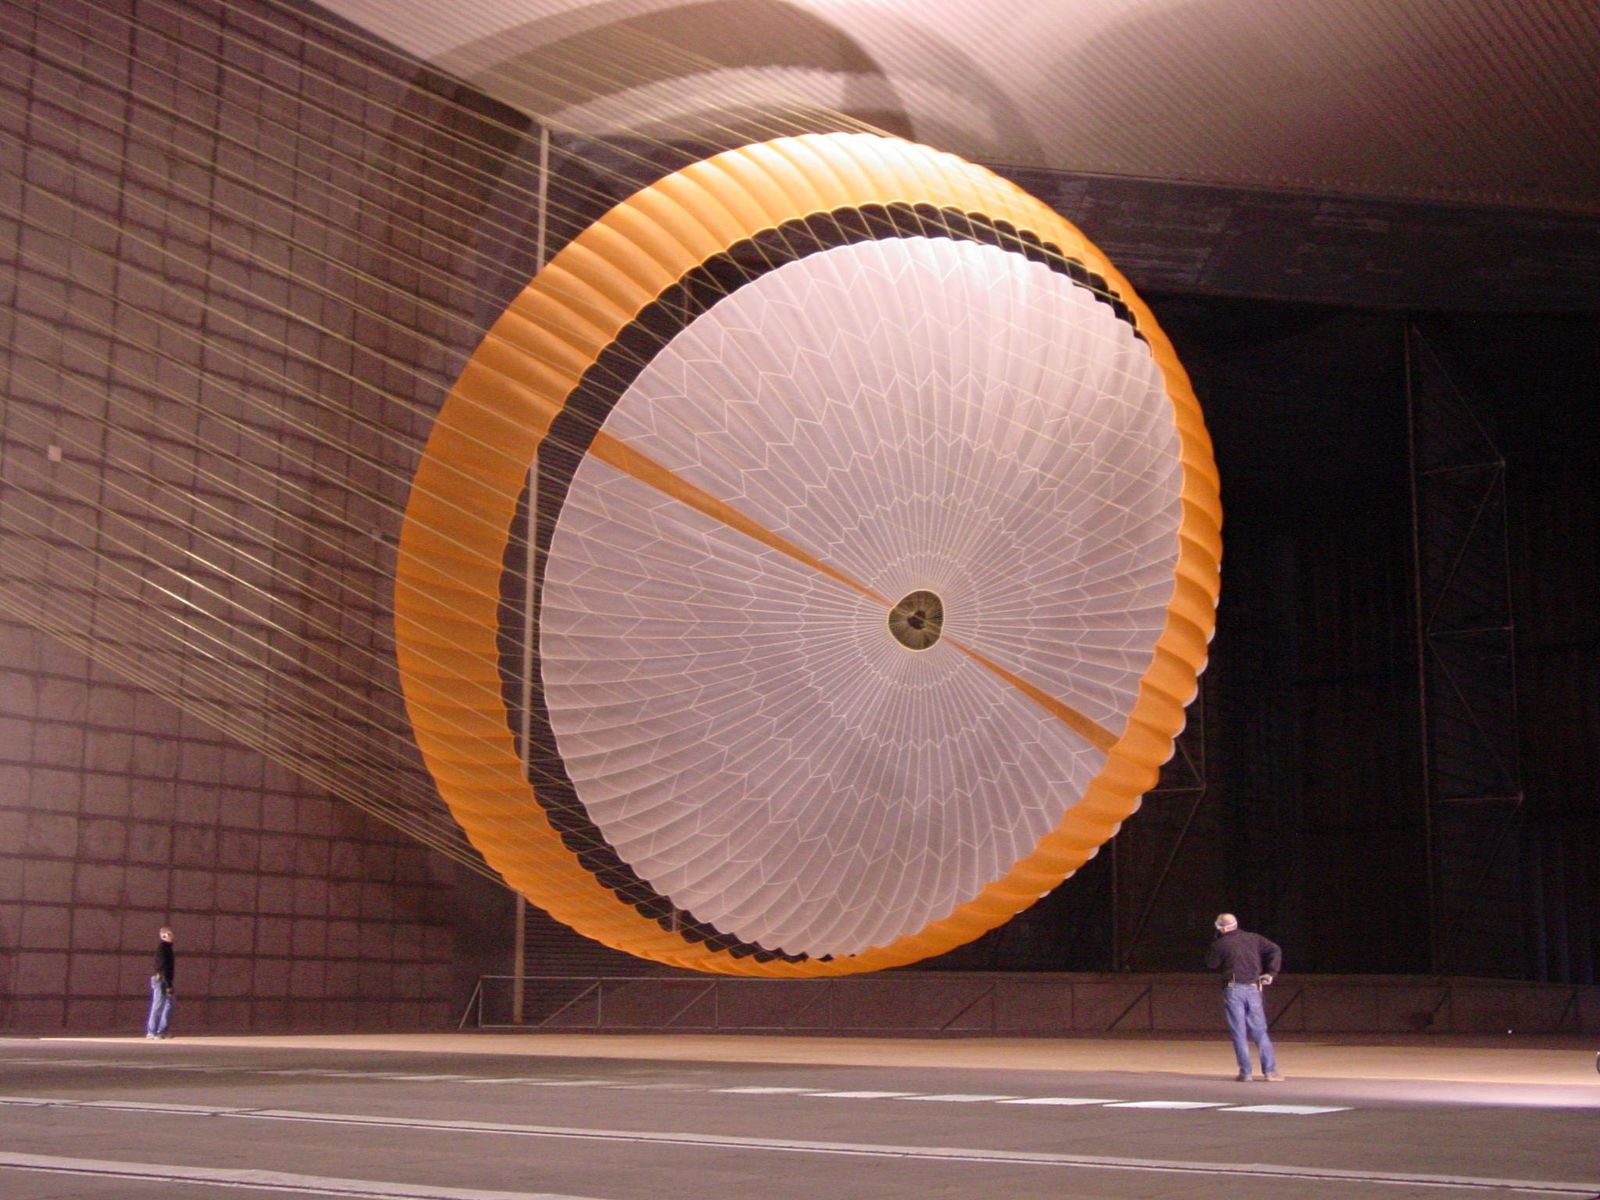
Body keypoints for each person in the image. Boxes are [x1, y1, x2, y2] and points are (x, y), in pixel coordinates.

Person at [1205, 913, 1282, 1081]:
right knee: (1260, 1031)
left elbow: (1211, 964)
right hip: (1254, 987)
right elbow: (1275, 949)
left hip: (1233, 988)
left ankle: (1246, 1072)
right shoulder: (1253, 938)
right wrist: (1271, 972)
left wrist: (1214, 945)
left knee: (1239, 1032)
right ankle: (1270, 1071)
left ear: (1220, 927)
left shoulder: (1220, 944)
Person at [145, 926, 175, 1039]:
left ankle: (162, 1031)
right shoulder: (162, 948)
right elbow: (161, 967)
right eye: (169, 934)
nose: (172, 936)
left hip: (166, 980)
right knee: (158, 1005)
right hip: (161, 980)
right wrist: (167, 984)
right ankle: (152, 1031)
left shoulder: (168, 948)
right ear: (163, 936)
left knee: (168, 1005)